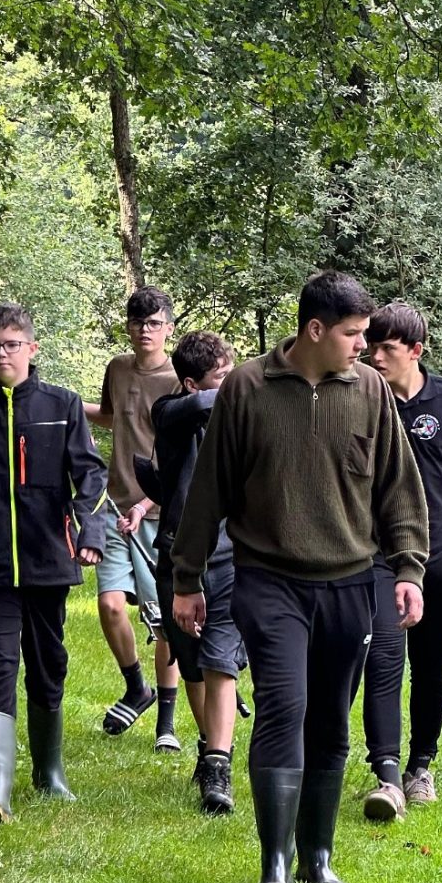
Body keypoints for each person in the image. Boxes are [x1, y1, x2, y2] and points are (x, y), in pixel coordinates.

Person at [171, 270, 428, 883]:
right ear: (315, 330)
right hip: (269, 580)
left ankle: (317, 857)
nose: (364, 347)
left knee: (330, 719)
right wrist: (186, 578)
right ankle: (275, 864)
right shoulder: (249, 389)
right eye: (353, 334)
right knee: (284, 706)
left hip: (349, 583)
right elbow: (210, 491)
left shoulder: (369, 390)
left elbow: (398, 486)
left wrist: (408, 568)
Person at [0, 303, 106, 823]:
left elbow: (92, 476)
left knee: (47, 665)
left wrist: (89, 530)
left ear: (32, 349)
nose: (1, 354)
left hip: (47, 561)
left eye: (11, 344)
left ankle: (50, 771)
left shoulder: (63, 406)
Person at [360, 301, 442, 819]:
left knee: (432, 668)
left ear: (415, 351)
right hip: (380, 557)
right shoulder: (365, 397)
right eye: (372, 346)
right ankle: (387, 773)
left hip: (441, 559)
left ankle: (420, 766)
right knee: (383, 658)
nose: (376, 356)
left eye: (387, 348)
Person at [150, 331, 245, 816]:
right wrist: (236, 389)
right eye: (221, 379)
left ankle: (217, 763)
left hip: (229, 556)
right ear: (190, 383)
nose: (231, 387)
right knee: (190, 663)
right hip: (175, 555)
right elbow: (198, 406)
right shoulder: (169, 413)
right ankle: (210, 740)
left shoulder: (234, 423)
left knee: (220, 659)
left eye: (234, 374)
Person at [83, 286, 182, 747]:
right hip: (116, 505)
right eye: (139, 323)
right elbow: (109, 416)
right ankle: (134, 686)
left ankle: (166, 721)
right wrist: (60, 402)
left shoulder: (179, 378)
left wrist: (151, 500)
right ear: (129, 327)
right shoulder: (117, 369)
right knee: (109, 605)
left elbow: (182, 449)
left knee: (163, 619)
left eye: (155, 323)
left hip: (161, 513)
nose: (147, 331)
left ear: (168, 328)